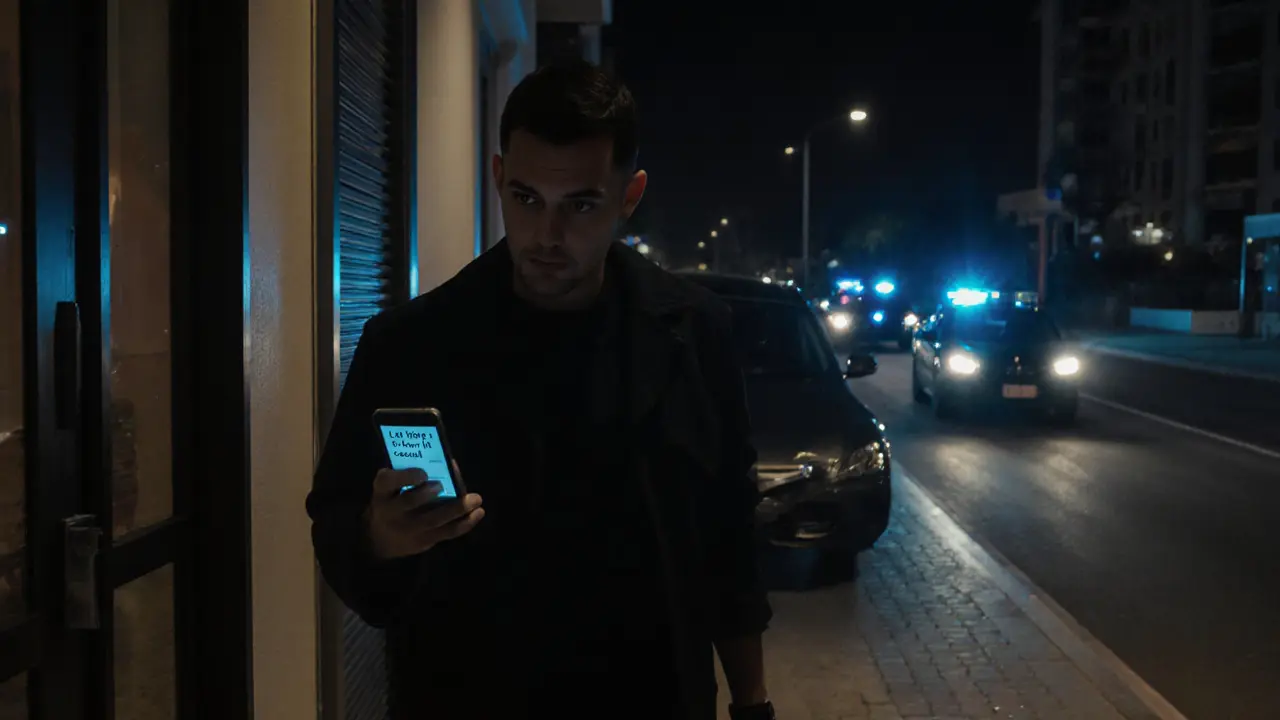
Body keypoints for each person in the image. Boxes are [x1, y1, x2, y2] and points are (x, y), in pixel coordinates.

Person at [307, 59, 774, 720]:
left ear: (628, 195)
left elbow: (729, 532)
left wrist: (753, 701)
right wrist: (382, 537)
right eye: (525, 199)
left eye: (580, 205)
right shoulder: (409, 342)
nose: (547, 236)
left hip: (652, 692)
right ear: (498, 177)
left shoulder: (695, 334)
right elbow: (334, 522)